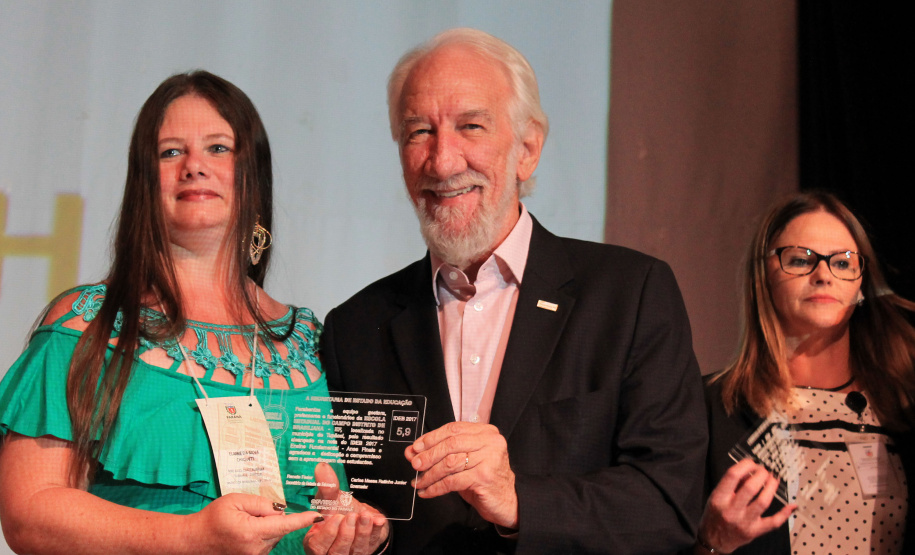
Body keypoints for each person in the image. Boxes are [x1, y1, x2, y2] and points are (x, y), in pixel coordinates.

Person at [318, 28, 707, 554]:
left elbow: (668, 504)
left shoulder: (630, 295)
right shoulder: (355, 328)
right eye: (419, 132)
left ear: (527, 149)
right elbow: (371, 516)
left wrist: (518, 501)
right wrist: (365, 540)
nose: (443, 161)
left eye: (471, 126)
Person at [0, 71, 386, 554]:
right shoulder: (85, 325)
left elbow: (331, 505)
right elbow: (30, 514)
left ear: (253, 175)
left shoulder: (312, 342)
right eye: (170, 152)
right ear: (143, 182)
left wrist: (352, 532)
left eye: (218, 148)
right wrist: (191, 537)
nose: (194, 166)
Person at [698, 191, 915, 554]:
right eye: (801, 260)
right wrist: (712, 544)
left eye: (843, 263)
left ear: (862, 283)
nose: (823, 275)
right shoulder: (709, 407)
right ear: (763, 277)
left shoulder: (902, 405)